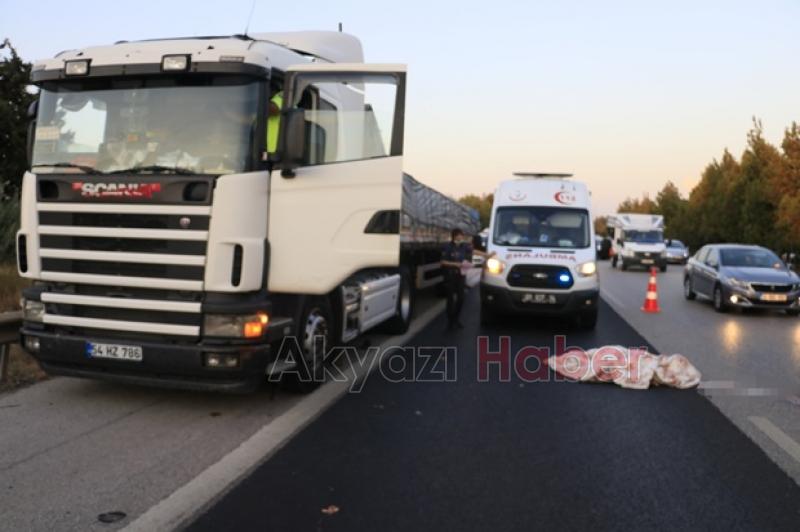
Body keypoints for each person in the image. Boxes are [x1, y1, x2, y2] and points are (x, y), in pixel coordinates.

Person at [440, 228, 493, 330]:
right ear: (454, 236)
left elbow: (474, 251)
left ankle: (456, 319)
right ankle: (450, 321)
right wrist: (455, 264)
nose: (461, 238)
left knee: (461, 298)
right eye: (459, 236)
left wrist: (487, 255)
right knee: (450, 300)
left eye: (461, 236)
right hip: (451, 275)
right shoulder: (448, 247)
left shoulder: (464, 246)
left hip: (461, 275)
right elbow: (443, 262)